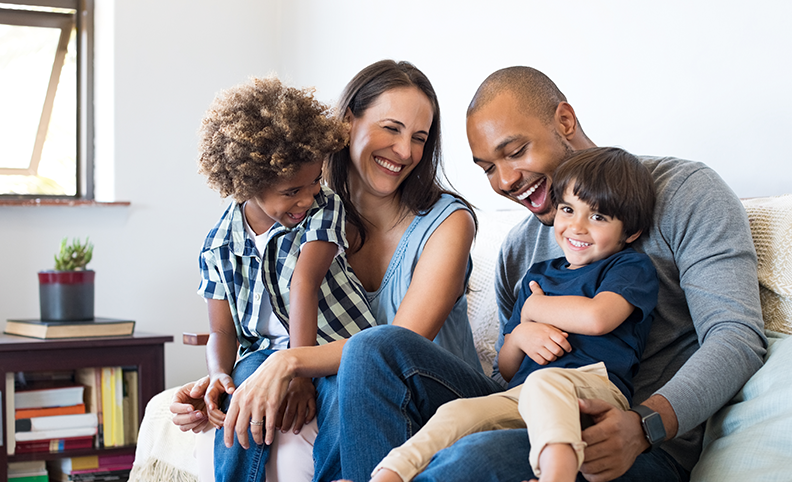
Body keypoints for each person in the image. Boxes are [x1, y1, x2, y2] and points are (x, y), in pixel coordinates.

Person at [333, 66, 766, 482]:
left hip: (633, 443)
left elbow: (736, 336)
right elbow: (510, 373)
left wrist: (643, 425)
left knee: (474, 459)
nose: (504, 181)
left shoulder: (684, 191)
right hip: (527, 414)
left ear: (565, 120)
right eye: (487, 168)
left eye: (516, 151)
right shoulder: (519, 249)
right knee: (374, 348)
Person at [171, 60, 486, 482]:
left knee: (361, 363)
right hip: (342, 379)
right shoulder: (301, 212)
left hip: (432, 395)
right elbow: (263, 321)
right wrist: (222, 382)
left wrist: (288, 363)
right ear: (347, 122)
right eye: (391, 128)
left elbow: (394, 348)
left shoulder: (448, 223)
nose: (407, 151)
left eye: (419, 138)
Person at [370, 147, 658, 482]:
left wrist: (536, 309)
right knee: (457, 411)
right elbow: (507, 368)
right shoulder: (538, 276)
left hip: (593, 390)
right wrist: (521, 335)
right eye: (567, 209)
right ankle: (386, 475)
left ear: (631, 232)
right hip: (522, 394)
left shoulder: (628, 266)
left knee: (543, 382)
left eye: (598, 217)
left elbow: (598, 318)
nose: (576, 227)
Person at [195, 76, 378, 481]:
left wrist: (298, 372)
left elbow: (304, 282)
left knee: (340, 397)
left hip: (334, 347)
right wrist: (218, 375)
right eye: (293, 190)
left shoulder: (323, 208)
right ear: (249, 184)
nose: (307, 197)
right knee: (241, 390)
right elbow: (221, 332)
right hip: (263, 354)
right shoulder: (218, 245)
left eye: (315, 181)